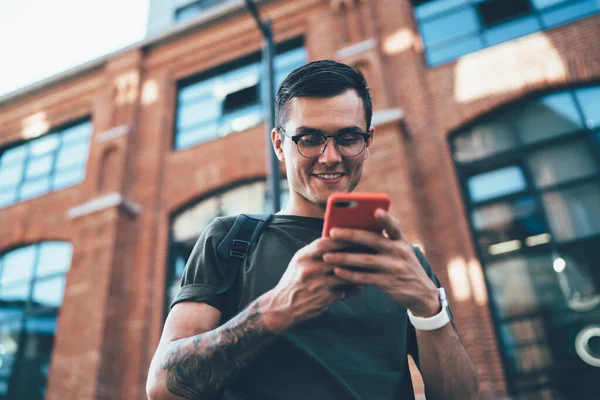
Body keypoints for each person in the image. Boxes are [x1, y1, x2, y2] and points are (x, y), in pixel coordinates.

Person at [146, 60, 479, 400]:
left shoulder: (405, 263)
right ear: (279, 144)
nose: (330, 156)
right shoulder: (231, 240)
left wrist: (428, 309)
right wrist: (276, 309)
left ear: (368, 141)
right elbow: (162, 386)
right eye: (309, 139)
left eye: (348, 138)